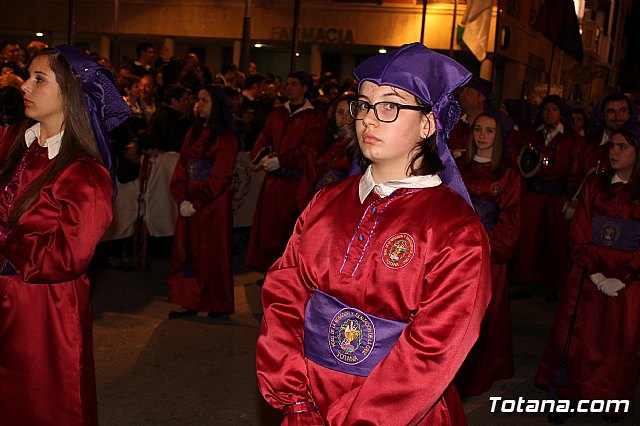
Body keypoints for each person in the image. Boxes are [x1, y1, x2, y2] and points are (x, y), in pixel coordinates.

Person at [255, 42, 491, 425]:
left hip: (397, 410)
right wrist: (296, 400)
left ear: (429, 123)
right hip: (307, 396)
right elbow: (284, 292)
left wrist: (363, 419)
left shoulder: (455, 228)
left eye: (390, 106)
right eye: (363, 104)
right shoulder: (327, 202)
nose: (369, 119)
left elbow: (434, 349)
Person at [0, 45, 130, 425]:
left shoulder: (85, 174)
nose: (25, 85)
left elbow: (66, 258)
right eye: (28, 76)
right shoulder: (13, 142)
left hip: (44, 308)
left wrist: (6, 239)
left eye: (39, 79)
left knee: (44, 403)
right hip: (9, 295)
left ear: (70, 93)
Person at [535, 121, 640, 424]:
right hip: (588, 275)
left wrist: (627, 276)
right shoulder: (595, 185)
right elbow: (579, 229)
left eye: (623, 147)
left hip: (627, 283)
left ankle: (610, 397)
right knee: (576, 338)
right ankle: (567, 396)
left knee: (619, 340)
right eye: (612, 146)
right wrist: (594, 273)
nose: (614, 152)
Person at [454, 112, 521, 396]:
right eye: (478, 129)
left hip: (490, 255)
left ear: (498, 137)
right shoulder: (458, 167)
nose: (482, 135)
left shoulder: (507, 173)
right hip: (457, 254)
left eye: (489, 131)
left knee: (487, 315)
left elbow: (511, 216)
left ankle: (483, 373)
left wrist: (486, 245)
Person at [167, 85, 238, 318]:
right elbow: (182, 165)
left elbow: (221, 174)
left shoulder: (226, 137)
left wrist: (198, 201)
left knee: (213, 251)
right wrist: (182, 196)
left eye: (205, 100)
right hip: (190, 200)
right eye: (198, 100)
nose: (199, 104)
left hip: (212, 203)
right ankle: (190, 300)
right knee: (187, 249)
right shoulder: (193, 132)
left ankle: (216, 303)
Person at [245, 71, 325, 274]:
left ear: (305, 88)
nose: (289, 87)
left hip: (295, 184)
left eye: (294, 84)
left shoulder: (313, 117)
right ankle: (269, 271)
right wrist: (261, 156)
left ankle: (286, 274)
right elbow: (264, 137)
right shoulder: (278, 114)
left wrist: (283, 160)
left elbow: (311, 147)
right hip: (274, 182)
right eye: (287, 83)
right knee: (268, 230)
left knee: (289, 231)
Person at [513, 95, 583, 298]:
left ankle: (554, 286)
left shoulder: (572, 139)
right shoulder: (532, 136)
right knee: (529, 240)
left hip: (557, 197)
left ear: (561, 112)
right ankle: (525, 283)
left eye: (554, 109)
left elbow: (576, 171)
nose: (549, 113)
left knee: (556, 242)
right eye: (546, 109)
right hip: (534, 195)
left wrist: (572, 198)